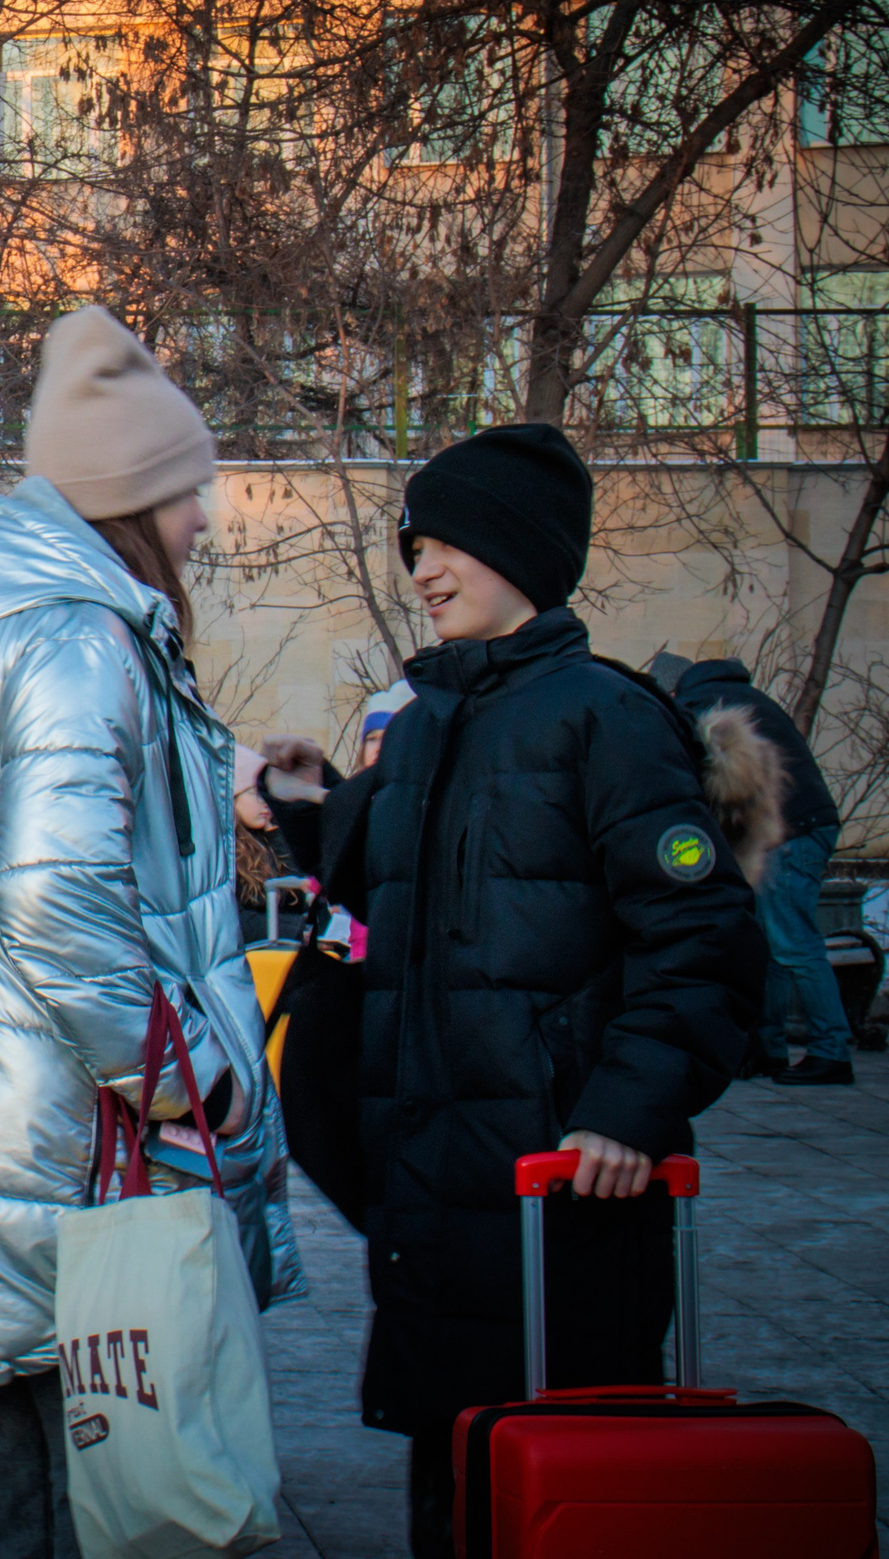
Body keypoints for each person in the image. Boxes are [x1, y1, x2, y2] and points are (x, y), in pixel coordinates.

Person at [0, 305, 303, 1559]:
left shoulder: (1, 618)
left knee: (17, 1428)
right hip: (69, 1120)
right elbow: (56, 893)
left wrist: (231, 778)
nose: (203, 519)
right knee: (100, 1451)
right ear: (129, 498)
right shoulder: (75, 636)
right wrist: (173, 1075)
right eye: (186, 491)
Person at [259, 423, 767, 1559]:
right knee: (455, 1479)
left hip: (560, 1190)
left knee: (565, 1490)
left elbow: (704, 940)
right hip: (437, 1187)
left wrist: (624, 1112)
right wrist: (303, 803)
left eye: (448, 545)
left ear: (521, 552)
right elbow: (396, 863)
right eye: (413, 547)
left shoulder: (608, 718)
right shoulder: (436, 721)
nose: (423, 570)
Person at [650, 651, 850, 1085]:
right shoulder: (739, 695)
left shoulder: (703, 707)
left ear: (671, 687)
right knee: (768, 941)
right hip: (801, 827)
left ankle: (832, 1052)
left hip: (790, 833)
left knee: (792, 942)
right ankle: (768, 1048)